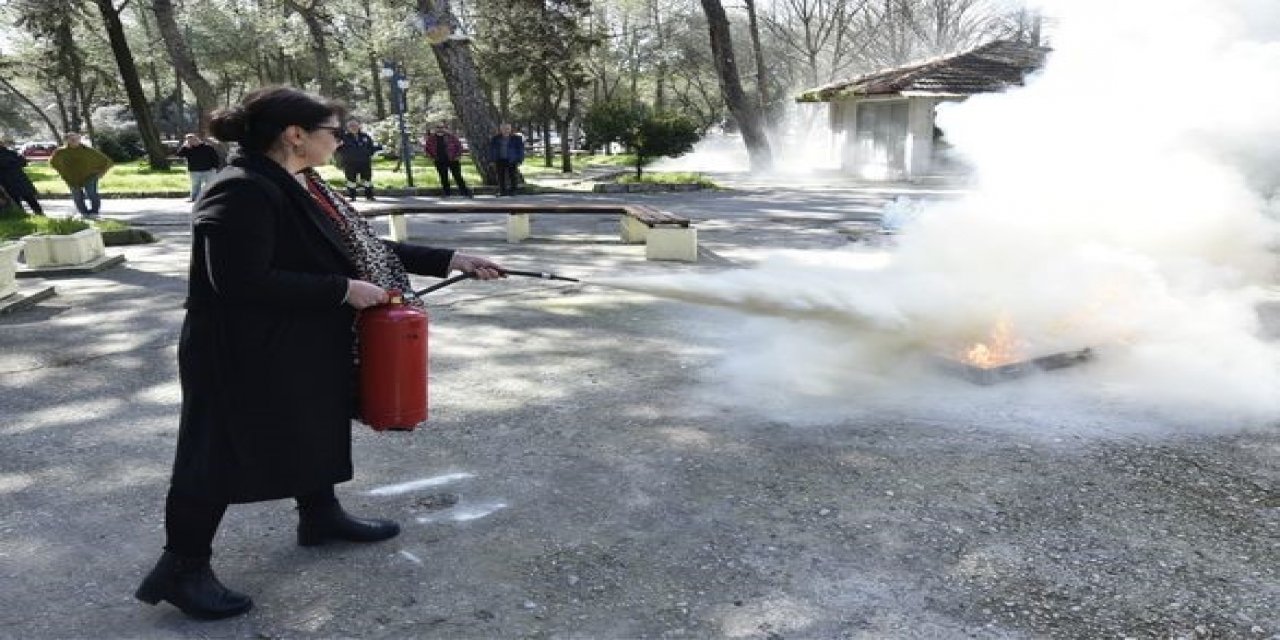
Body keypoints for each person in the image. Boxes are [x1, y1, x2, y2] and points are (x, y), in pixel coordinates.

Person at [133, 86, 506, 621]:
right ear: (295, 135)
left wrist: (451, 258)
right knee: (216, 452)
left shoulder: (302, 183)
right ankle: (181, 567)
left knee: (314, 423)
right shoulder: (240, 189)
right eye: (333, 132)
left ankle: (320, 515)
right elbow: (236, 281)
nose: (341, 141)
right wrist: (342, 289)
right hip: (238, 352)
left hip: (296, 340)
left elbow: (357, 248)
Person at [48, 132, 113, 218]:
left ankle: (94, 212)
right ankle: (84, 213)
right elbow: (53, 162)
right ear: (67, 140)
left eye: (76, 139)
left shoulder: (88, 150)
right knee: (77, 196)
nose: (74, 141)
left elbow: (107, 161)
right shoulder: (61, 152)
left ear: (79, 139)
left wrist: (101, 173)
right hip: (71, 178)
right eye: (71, 139)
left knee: (91, 194)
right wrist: (63, 172)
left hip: (90, 176)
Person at [423, 122, 471, 198]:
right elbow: (427, 149)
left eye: (441, 127)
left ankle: (465, 193)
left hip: (453, 160)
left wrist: (457, 156)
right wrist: (431, 157)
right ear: (435, 129)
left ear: (444, 128)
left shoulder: (451, 137)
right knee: (443, 177)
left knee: (457, 176)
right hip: (439, 161)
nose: (440, 129)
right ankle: (447, 193)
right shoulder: (431, 139)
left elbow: (459, 146)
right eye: (438, 127)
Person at [335, 119, 380, 201]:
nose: (353, 127)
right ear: (348, 128)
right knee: (351, 181)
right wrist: (339, 146)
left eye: (355, 125)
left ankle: (369, 196)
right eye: (351, 126)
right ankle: (352, 197)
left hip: (364, 162)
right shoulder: (344, 138)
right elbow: (337, 149)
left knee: (367, 180)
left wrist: (377, 149)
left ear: (359, 126)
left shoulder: (365, 136)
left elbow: (371, 148)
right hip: (350, 163)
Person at [175, 133, 223, 202]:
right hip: (194, 170)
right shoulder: (187, 148)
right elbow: (179, 155)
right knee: (195, 186)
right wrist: (184, 146)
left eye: (192, 140)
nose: (191, 142)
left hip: (209, 170)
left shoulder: (207, 147)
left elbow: (215, 157)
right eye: (189, 141)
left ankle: (211, 198)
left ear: (196, 139)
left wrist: (215, 167)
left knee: (211, 185)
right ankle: (194, 198)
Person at [0, 140, 43, 215]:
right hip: (19, 179)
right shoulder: (12, 153)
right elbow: (23, 162)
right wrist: (14, 164)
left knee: (17, 201)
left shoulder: (11, 153)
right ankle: (39, 214)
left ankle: (22, 215)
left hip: (8, 182)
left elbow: (23, 162)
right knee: (30, 199)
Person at [488, 123, 525, 196]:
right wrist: (492, 160)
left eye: (507, 129)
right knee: (500, 176)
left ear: (510, 129)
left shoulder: (516, 138)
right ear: (501, 129)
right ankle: (502, 191)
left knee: (513, 176)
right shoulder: (495, 138)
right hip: (499, 159)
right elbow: (492, 150)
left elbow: (520, 150)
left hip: (512, 160)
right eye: (504, 129)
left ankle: (513, 191)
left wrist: (520, 160)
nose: (506, 130)